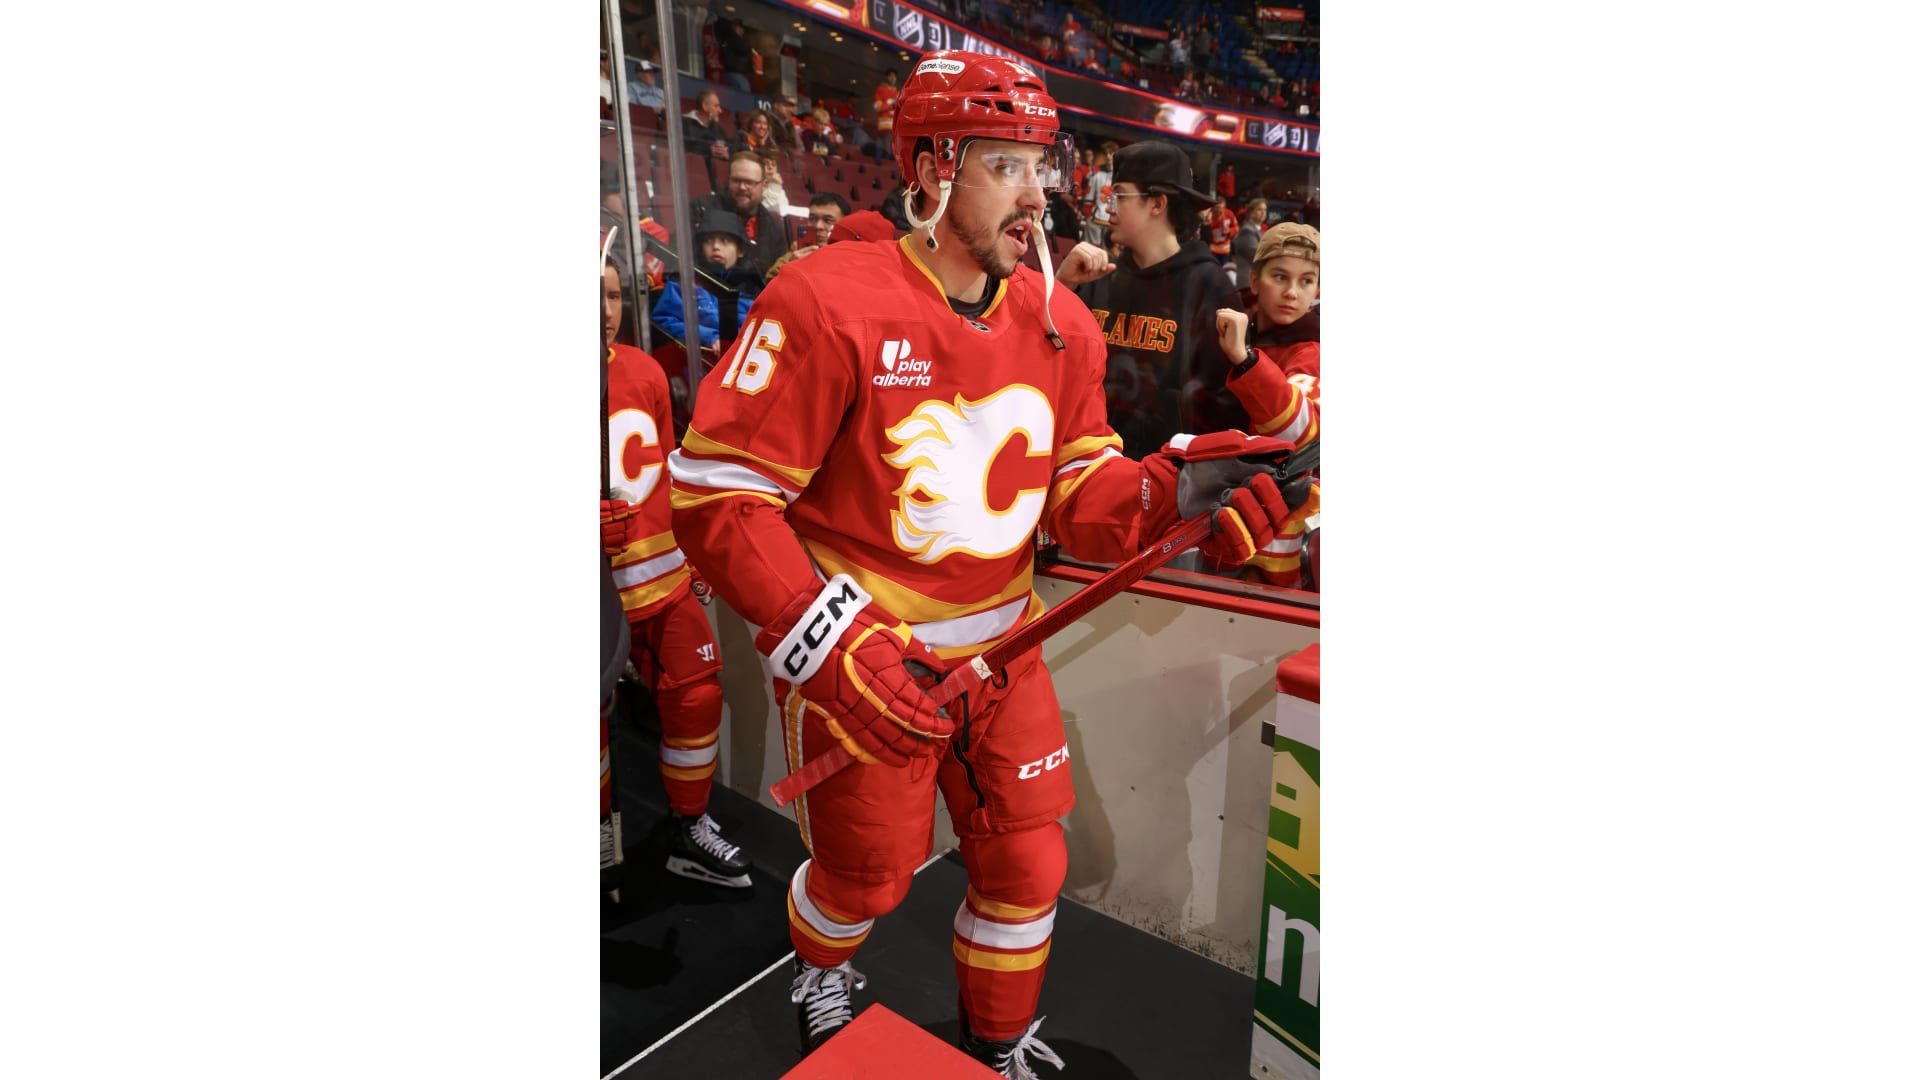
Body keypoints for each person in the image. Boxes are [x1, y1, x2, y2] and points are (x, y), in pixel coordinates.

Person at [667, 51, 1297, 1079]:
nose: (1037, 193)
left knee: (1028, 863)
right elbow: (717, 494)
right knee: (866, 879)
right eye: (1005, 165)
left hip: (1006, 651)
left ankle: (996, 1041)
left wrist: (1171, 497)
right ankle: (819, 971)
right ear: (930, 168)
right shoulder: (825, 298)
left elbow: (1078, 493)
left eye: (1040, 164)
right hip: (876, 658)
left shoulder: (1063, 324)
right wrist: (829, 644)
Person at [600, 256, 754, 888]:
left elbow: (665, 468)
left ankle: (689, 827)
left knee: (697, 694)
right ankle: (598, 848)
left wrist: (691, 551)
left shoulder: (642, 370)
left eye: (612, 295)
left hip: (659, 572)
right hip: (594, 594)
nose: (604, 310)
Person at [1060, 140, 1244, 456]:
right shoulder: (1098, 277)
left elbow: (1223, 408)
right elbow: (1054, 369)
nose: (1108, 207)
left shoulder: (1210, 287)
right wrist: (1063, 286)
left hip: (1170, 475)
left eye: (1119, 195)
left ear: (1157, 204)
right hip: (1091, 467)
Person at [1212, 222, 1321, 588]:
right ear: (1255, 281)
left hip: (1274, 532)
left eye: (1306, 281)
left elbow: (1301, 432)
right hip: (1210, 507)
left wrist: (1246, 363)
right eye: (1280, 277)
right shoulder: (1232, 323)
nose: (1292, 292)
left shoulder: (1312, 351)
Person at [651, 210, 765, 350]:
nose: (715, 246)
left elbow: (765, 327)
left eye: (724, 241)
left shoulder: (754, 287)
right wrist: (707, 336)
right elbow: (664, 320)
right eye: (708, 241)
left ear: (740, 250)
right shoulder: (684, 281)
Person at [690, 151, 790, 278]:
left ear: (764, 185)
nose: (742, 187)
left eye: (749, 182)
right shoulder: (700, 209)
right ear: (728, 180)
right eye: (736, 180)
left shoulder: (773, 227)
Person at [764, 192, 851, 280]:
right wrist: (791, 268)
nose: (818, 226)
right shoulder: (798, 250)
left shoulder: (852, 254)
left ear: (844, 224)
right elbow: (771, 280)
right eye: (812, 219)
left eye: (827, 220)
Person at [683, 90, 732, 189]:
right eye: (716, 106)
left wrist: (727, 154)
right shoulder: (684, 123)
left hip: (716, 180)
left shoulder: (717, 128)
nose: (720, 110)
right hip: (692, 178)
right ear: (705, 107)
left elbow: (728, 147)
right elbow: (683, 150)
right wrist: (708, 150)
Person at [1229, 196, 1268, 289]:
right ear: (1251, 213)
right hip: (1247, 283)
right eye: (1259, 209)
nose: (1263, 212)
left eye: (1265, 210)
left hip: (1254, 282)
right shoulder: (1247, 231)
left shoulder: (1258, 230)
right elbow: (1256, 256)